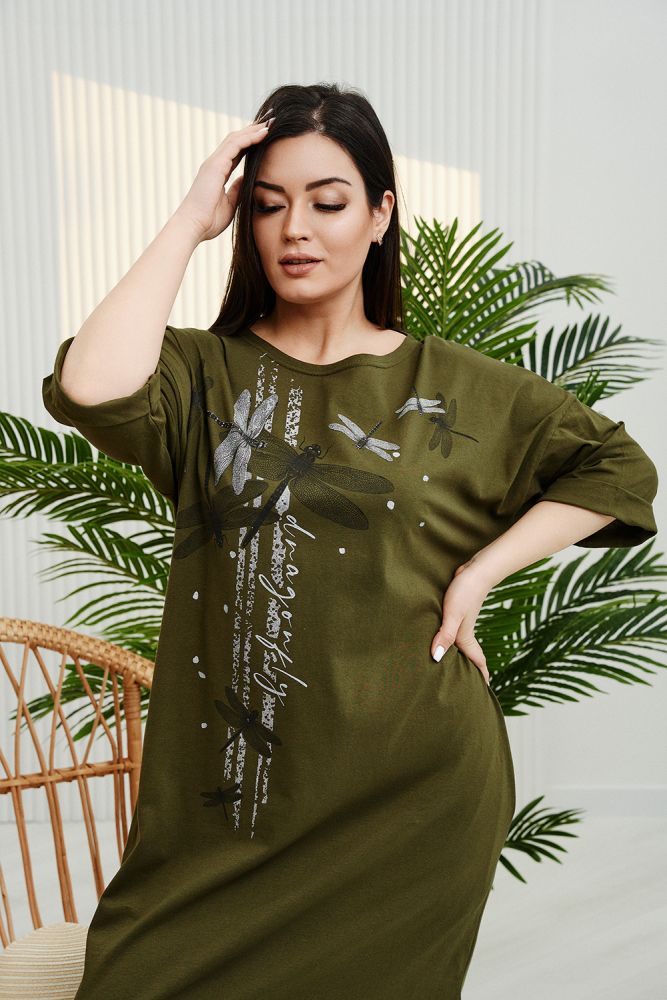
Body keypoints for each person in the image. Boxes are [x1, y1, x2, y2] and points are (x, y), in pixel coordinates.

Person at [41, 83, 659, 1000]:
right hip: (228, 807)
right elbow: (91, 388)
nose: (295, 229)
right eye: (267, 204)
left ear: (379, 214)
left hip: (412, 788)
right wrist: (188, 221)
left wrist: (481, 572)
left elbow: (616, 470)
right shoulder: (203, 373)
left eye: (327, 202)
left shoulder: (455, 386)